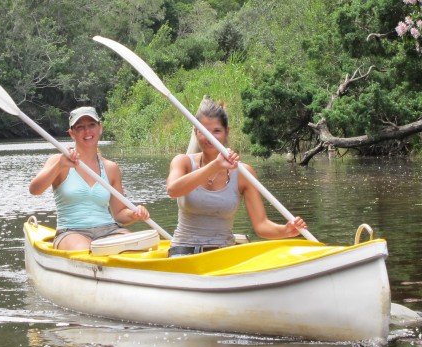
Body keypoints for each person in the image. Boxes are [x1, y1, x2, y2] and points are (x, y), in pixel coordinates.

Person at [166, 97, 307, 257]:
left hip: (224, 254)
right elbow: (173, 190)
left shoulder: (243, 173)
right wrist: (215, 166)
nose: (209, 138)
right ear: (196, 132)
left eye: (216, 131)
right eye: (203, 131)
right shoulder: (182, 162)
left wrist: (285, 230)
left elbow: (261, 225)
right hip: (184, 252)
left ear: (227, 132)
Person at [29, 106, 150, 251]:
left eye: (91, 125)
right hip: (71, 231)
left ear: (100, 128)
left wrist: (134, 213)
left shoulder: (111, 168)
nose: (87, 131)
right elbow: (35, 190)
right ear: (72, 133)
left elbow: (119, 215)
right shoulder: (59, 160)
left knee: (137, 248)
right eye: (80, 127)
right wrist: (59, 166)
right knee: (85, 250)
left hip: (109, 230)